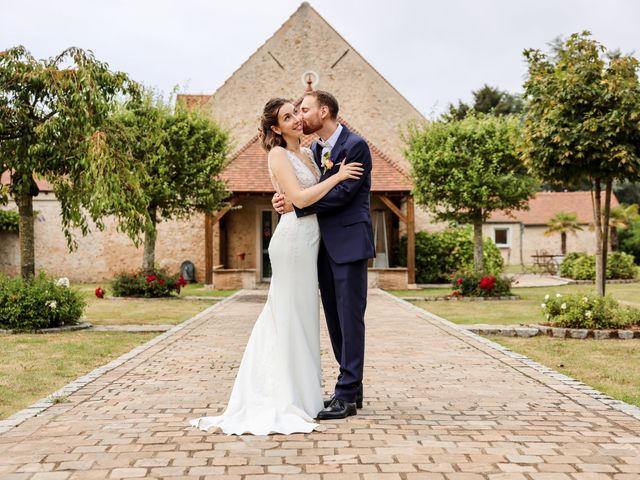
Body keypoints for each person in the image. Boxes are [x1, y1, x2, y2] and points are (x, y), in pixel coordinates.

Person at [190, 97, 363, 435]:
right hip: (294, 243)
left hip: (312, 242)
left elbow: (296, 196)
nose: (297, 119)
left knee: (302, 317)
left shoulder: (310, 153)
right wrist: (338, 176)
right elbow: (299, 199)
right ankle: (280, 395)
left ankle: (303, 393)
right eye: (288, 116)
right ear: (275, 127)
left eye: (297, 112)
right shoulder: (278, 154)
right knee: (286, 314)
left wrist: (295, 192)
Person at [273, 90, 374, 420]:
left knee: (350, 318)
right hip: (321, 246)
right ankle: (351, 388)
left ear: (325, 111)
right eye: (296, 112)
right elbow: (306, 188)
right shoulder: (314, 149)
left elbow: (344, 194)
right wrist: (287, 200)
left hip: (349, 244)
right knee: (334, 319)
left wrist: (297, 206)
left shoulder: (355, 145)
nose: (301, 116)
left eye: (305, 109)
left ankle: (345, 394)